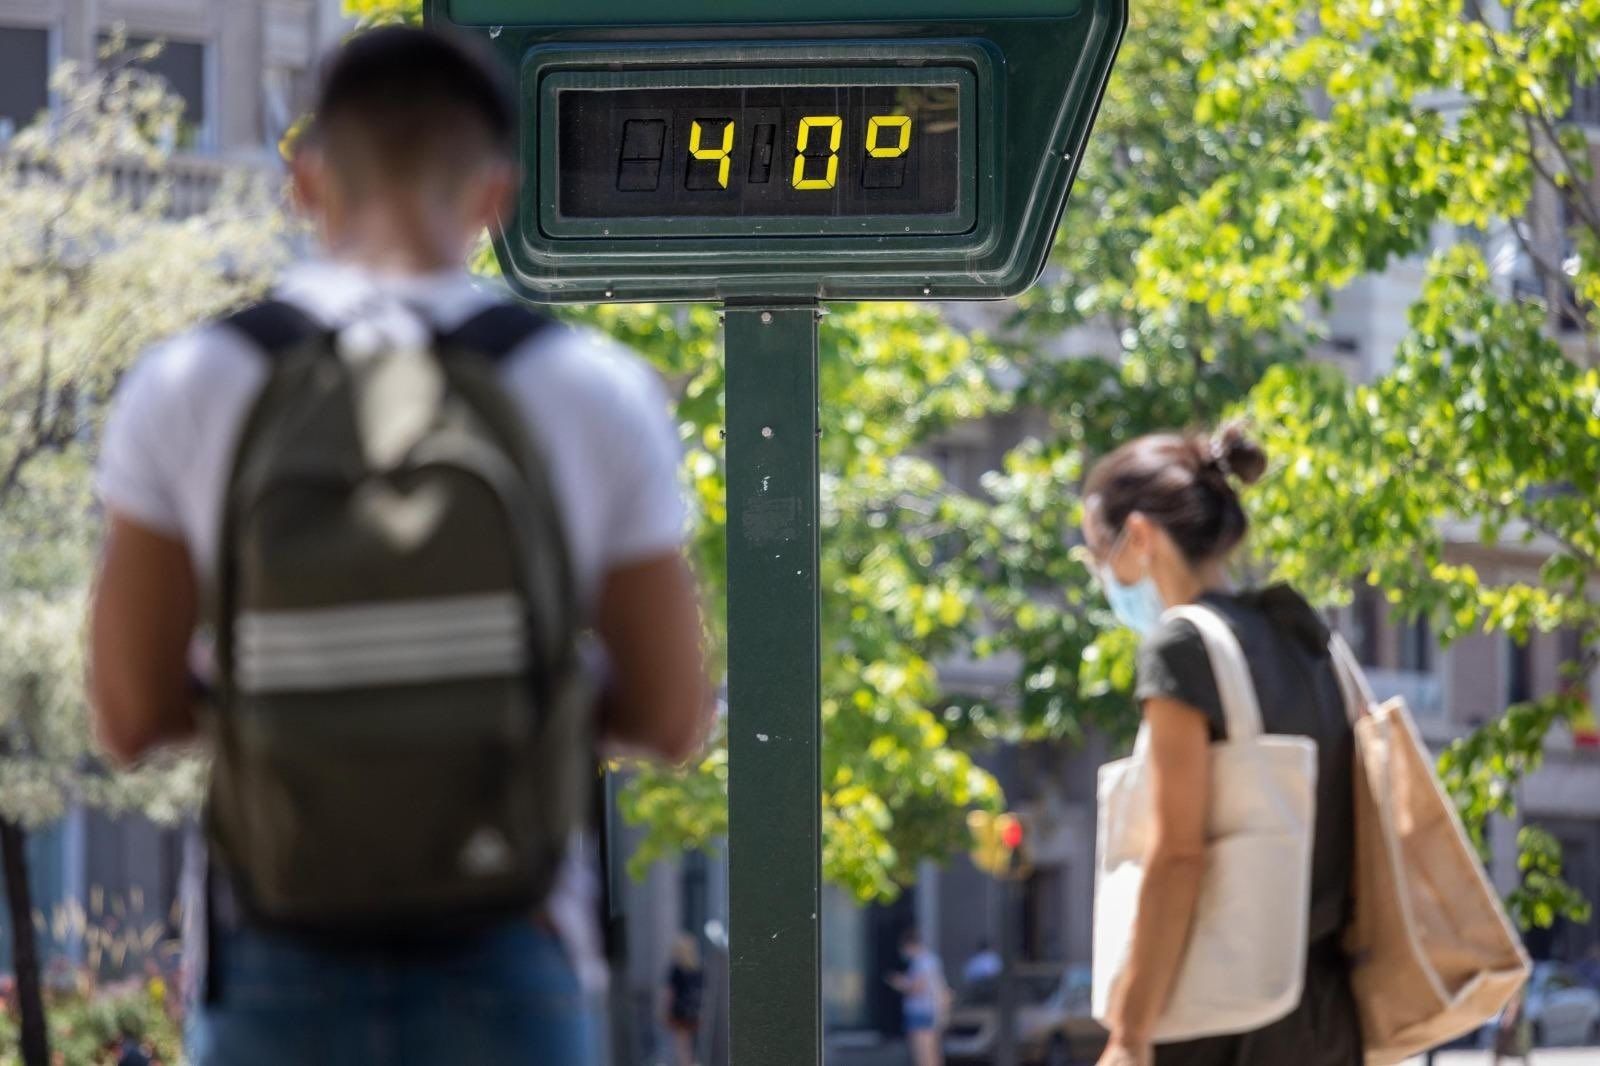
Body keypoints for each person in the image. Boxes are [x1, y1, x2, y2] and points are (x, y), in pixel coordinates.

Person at [89, 26, 710, 1066]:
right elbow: (671, 715)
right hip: (514, 953)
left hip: (274, 954)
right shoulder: (589, 387)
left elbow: (128, 713)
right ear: (495, 194)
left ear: (304, 180)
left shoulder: (190, 382)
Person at [1082, 426, 1361, 1066]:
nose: (1104, 576)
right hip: (1327, 1012)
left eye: (1099, 554)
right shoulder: (1305, 637)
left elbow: (1178, 855)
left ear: (1142, 537)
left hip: (1224, 1021)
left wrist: (1128, 1033)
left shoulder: (1183, 648)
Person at [889, 927, 949, 1066]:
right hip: (929, 1011)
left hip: (921, 1012)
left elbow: (918, 987)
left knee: (923, 1054)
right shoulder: (930, 960)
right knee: (932, 1053)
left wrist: (899, 983)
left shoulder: (922, 961)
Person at [662, 934, 705, 1066]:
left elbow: (670, 992)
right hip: (694, 1010)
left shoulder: (677, 969)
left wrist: (665, 1010)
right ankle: (691, 1062)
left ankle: (685, 1063)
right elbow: (702, 992)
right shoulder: (698, 969)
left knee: (681, 1042)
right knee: (690, 1042)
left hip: (679, 1010)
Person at [1491, 987, 1533, 1065]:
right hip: (1518, 1020)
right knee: (1521, 1051)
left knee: (1502, 1049)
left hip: (1514, 1021)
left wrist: (1508, 1017)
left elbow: (1514, 999)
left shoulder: (1516, 979)